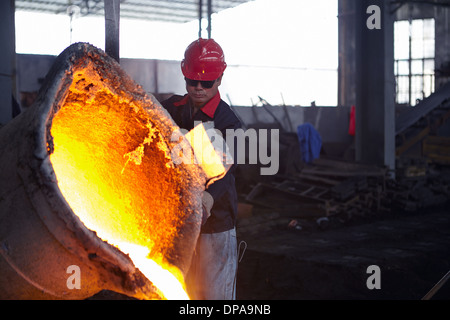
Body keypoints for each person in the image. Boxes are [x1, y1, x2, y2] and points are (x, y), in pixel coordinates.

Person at [161, 38, 242, 300]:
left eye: (205, 83)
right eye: (191, 81)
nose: (197, 88)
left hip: (214, 224)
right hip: (175, 220)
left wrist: (206, 199)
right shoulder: (172, 109)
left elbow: (223, 174)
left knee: (213, 295)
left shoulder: (228, 123)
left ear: (219, 78)